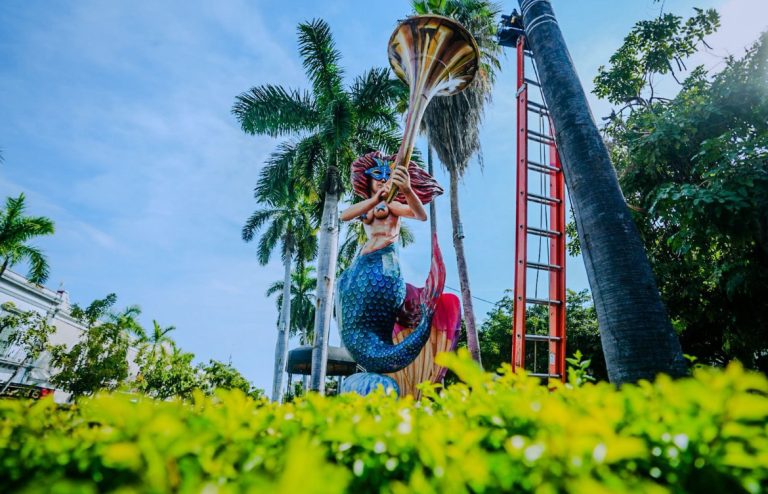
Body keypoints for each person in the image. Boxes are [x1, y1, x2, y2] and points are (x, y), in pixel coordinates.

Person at [336, 152, 443, 374]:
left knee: (373, 329)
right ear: (368, 179)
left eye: (387, 175)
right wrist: (375, 200)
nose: (383, 179)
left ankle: (422, 323)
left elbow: (419, 214)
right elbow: (344, 215)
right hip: (363, 265)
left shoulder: (393, 205)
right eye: (377, 175)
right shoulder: (368, 204)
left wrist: (406, 189)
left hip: (384, 267)